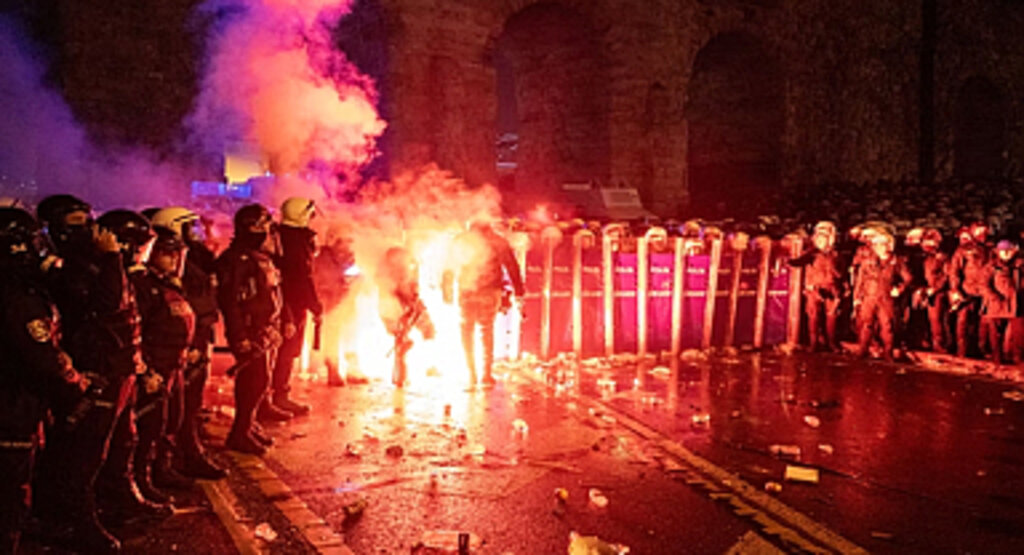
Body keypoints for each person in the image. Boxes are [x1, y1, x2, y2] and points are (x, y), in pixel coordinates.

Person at [32, 195, 148, 552]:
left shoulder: (92, 264)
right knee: (82, 454)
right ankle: (74, 522)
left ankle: (101, 507)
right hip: (91, 370)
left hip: (112, 367)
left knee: (107, 446)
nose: (92, 231)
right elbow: (106, 304)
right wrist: (111, 258)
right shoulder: (68, 270)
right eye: (79, 223)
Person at [0, 208, 88, 554]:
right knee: (9, 502)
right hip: (11, 411)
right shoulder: (20, 299)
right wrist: (76, 385)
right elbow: (42, 359)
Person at [92, 209, 176, 523]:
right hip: (107, 372)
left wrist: (141, 367)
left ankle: (125, 496)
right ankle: (92, 512)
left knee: (126, 438)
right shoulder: (104, 275)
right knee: (95, 448)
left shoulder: (128, 276)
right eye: (141, 246)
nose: (146, 254)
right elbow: (113, 312)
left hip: (126, 370)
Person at [150, 207, 226, 479]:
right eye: (189, 227)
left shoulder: (194, 261)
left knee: (189, 405)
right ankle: (182, 458)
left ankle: (181, 456)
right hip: (186, 345)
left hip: (199, 337)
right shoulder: (179, 267)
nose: (197, 233)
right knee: (178, 408)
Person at [216, 204, 289, 455]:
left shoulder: (261, 257)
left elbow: (274, 293)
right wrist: (239, 337)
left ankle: (249, 424)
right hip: (249, 330)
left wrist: (281, 320)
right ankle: (239, 433)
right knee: (253, 380)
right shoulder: (235, 260)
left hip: (264, 328)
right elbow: (231, 302)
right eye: (264, 226)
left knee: (262, 380)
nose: (268, 232)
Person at [443, 220, 524, 386]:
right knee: (486, 330)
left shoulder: (461, 239)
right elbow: (512, 267)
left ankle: (470, 374)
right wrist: (519, 292)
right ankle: (486, 374)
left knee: (466, 330)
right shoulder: (498, 241)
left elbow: (449, 267)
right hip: (490, 290)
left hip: (466, 290)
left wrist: (447, 289)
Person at [269, 197, 321, 418]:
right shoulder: (295, 242)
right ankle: (278, 396)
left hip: (285, 303)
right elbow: (301, 278)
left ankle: (274, 395)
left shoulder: (283, 236)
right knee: (285, 352)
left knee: (284, 351)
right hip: (290, 305)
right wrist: (314, 304)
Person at [377, 246, 434, 387]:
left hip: (404, 309)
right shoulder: (390, 279)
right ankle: (400, 377)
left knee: (402, 341)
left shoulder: (406, 273)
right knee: (401, 341)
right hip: (396, 310)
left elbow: (414, 296)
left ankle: (400, 376)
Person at [852, 233, 913, 361]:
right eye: (877, 245)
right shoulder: (867, 261)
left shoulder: (896, 262)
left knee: (887, 326)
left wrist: (899, 289)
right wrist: (857, 298)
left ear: (888, 246)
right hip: (869, 297)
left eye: (882, 244)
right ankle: (862, 350)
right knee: (866, 324)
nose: (879, 247)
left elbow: (908, 279)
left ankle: (888, 353)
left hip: (886, 299)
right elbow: (860, 281)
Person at [789, 221, 844, 351]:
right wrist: (787, 260)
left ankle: (831, 343)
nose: (820, 240)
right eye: (818, 237)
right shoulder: (811, 253)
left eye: (824, 238)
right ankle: (814, 343)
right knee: (813, 316)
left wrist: (841, 287)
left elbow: (842, 273)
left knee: (831, 316)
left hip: (831, 288)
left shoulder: (836, 255)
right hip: (814, 289)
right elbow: (798, 262)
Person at [949, 224, 991, 358]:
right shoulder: (963, 250)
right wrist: (955, 289)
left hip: (985, 292)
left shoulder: (991, 249)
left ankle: (980, 349)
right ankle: (962, 350)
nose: (982, 234)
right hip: (967, 291)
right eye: (979, 231)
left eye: (985, 231)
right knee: (963, 322)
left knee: (983, 323)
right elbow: (954, 271)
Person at [981, 240, 1022, 364]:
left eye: (1009, 251)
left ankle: (1017, 357)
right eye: (1003, 251)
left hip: (1016, 305)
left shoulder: (1019, 266)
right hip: (996, 305)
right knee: (995, 334)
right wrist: (994, 298)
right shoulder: (991, 266)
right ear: (998, 252)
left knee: (1018, 334)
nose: (1006, 254)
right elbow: (984, 285)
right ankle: (997, 358)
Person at [916, 228, 950, 352]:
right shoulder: (920, 256)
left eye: (931, 242)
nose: (928, 245)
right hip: (921, 290)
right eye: (926, 242)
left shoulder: (942, 258)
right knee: (919, 317)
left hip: (936, 292)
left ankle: (939, 343)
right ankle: (922, 340)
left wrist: (935, 288)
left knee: (936, 319)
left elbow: (946, 275)